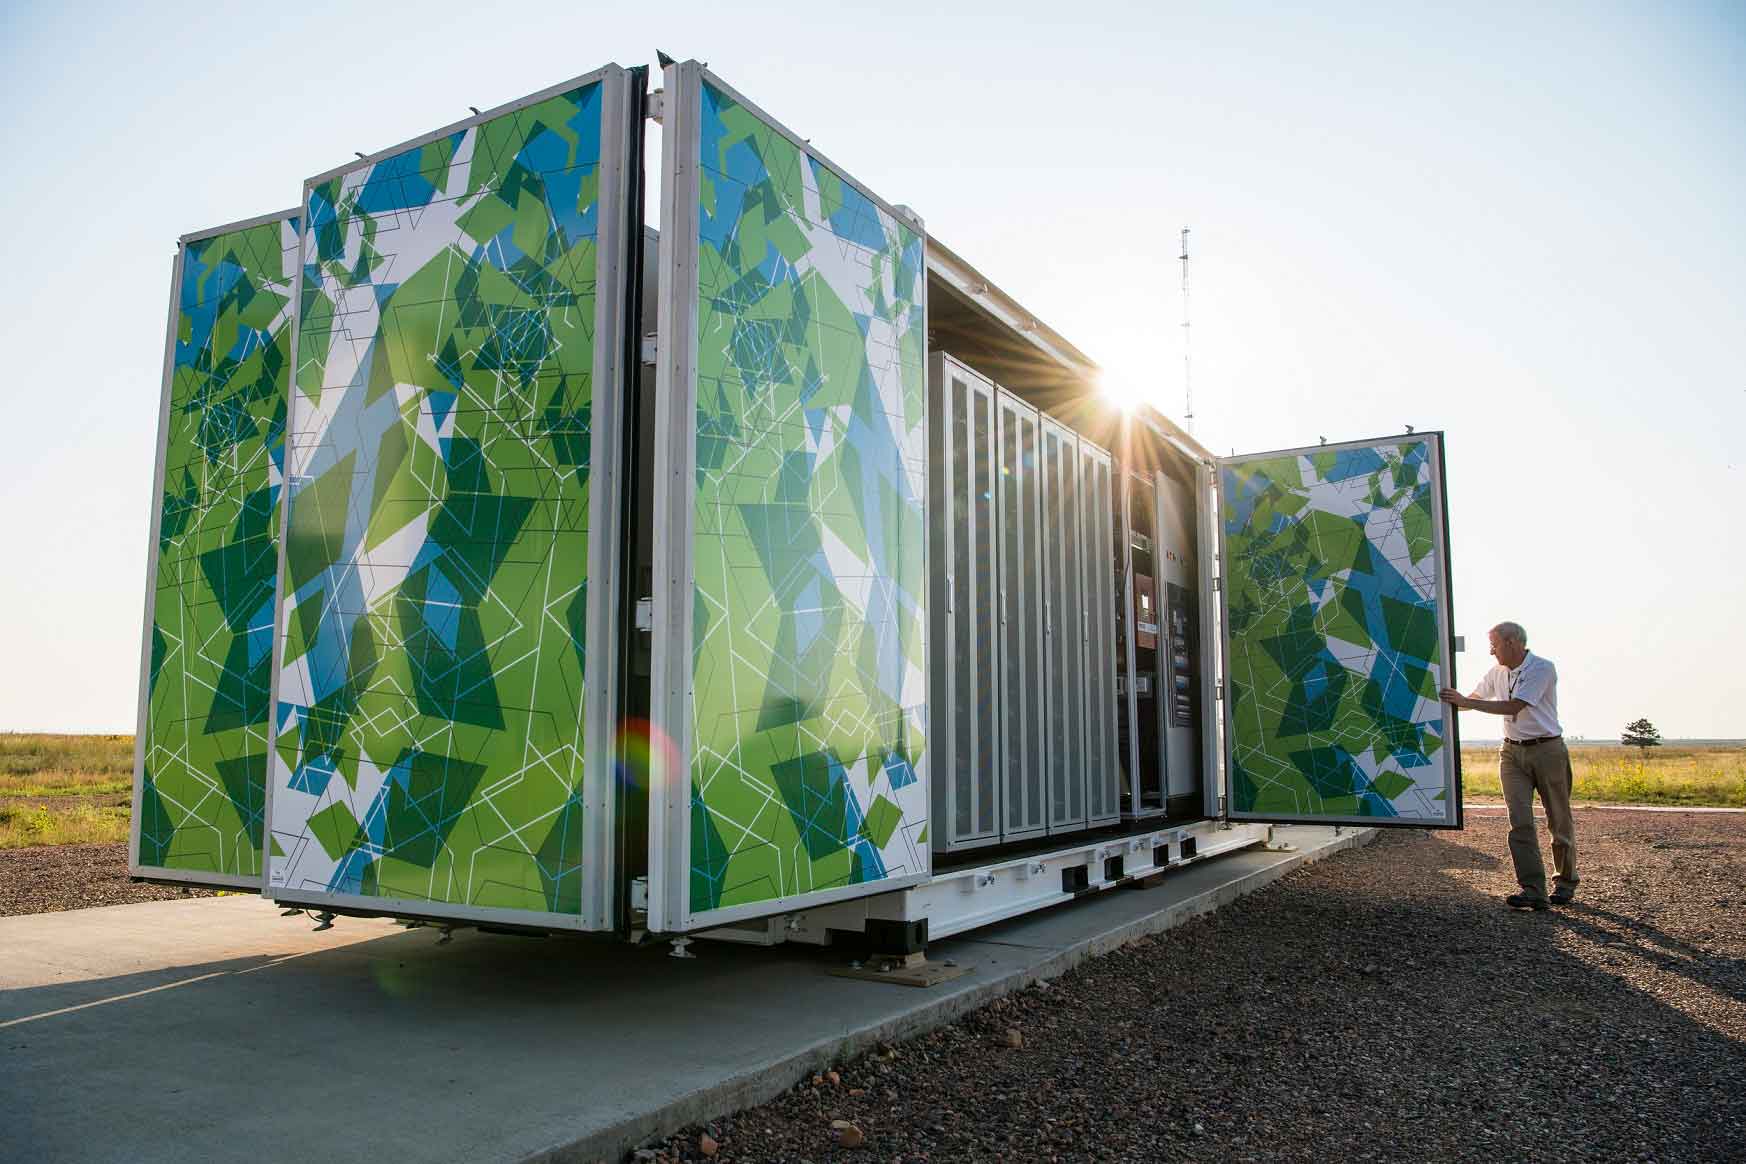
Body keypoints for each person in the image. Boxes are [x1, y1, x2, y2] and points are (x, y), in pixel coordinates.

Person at [1440, 622, 1577, 911]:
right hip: (1512, 753)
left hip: (1548, 750)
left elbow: (1515, 706)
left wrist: (1468, 703)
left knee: (1558, 820)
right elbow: (1472, 700)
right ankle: (1533, 890)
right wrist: (1446, 700)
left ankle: (1564, 882)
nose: (1491, 651)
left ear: (1513, 642)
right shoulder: (1497, 673)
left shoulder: (1542, 668)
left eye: (1494, 644)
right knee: (1520, 821)